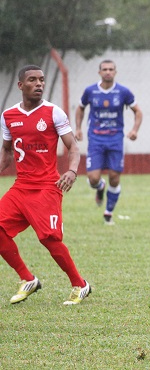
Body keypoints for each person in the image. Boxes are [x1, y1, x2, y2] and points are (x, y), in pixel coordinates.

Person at [0, 65, 91, 305]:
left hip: (47, 186)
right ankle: (27, 279)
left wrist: (71, 170)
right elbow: (7, 151)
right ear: (21, 85)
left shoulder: (53, 112)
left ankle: (80, 285)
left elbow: (73, 147)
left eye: (41, 80)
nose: (39, 84)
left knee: (49, 238)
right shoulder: (9, 115)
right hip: (21, 187)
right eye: (32, 80)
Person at [75, 60, 143, 224]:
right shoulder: (90, 91)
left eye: (111, 69)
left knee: (114, 176)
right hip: (96, 139)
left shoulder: (123, 92)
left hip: (115, 139)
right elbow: (80, 108)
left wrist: (134, 130)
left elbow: (138, 112)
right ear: (99, 72)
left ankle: (108, 213)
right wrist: (78, 128)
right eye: (104, 69)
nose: (108, 72)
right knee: (93, 178)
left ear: (115, 72)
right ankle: (99, 188)